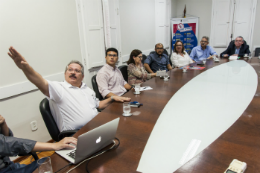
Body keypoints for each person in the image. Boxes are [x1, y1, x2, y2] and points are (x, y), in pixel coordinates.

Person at [7, 47, 130, 132]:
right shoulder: (59, 89)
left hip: (96, 125)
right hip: (77, 133)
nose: (73, 72)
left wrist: (113, 98)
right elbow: (39, 81)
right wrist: (25, 68)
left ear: (82, 76)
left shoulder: (86, 89)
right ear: (65, 73)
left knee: (125, 128)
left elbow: (98, 104)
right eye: (70, 70)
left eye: (77, 71)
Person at [0, 114, 77, 173]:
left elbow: (7, 138)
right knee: (47, 164)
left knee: (48, 163)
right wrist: (54, 145)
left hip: (10, 165)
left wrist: (3, 124)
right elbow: (8, 143)